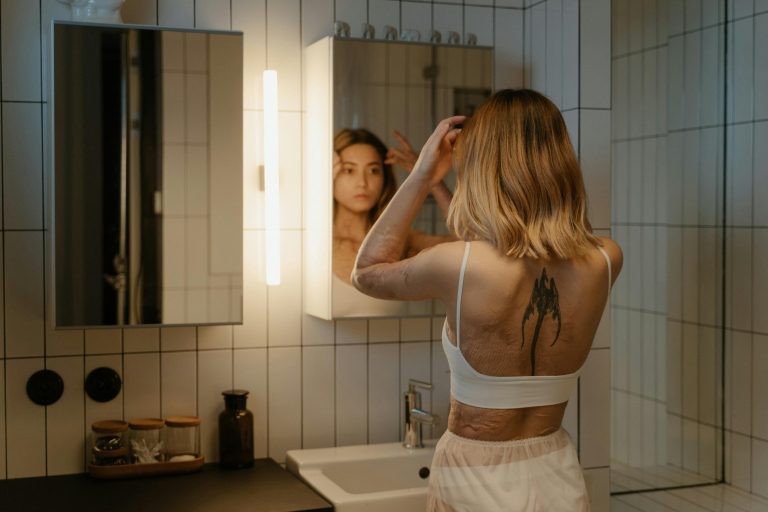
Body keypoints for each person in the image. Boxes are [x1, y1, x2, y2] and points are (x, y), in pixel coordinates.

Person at [351, 89, 622, 511]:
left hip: (472, 476)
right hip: (557, 470)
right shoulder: (606, 258)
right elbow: (502, 249)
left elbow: (366, 273)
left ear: (482, 166)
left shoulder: (461, 266)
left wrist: (422, 176)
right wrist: (439, 184)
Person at [331, 128, 453, 316]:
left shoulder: (404, 242)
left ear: (384, 178)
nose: (362, 182)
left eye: (373, 170)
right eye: (349, 170)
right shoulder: (311, 245)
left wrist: (431, 179)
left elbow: (473, 243)